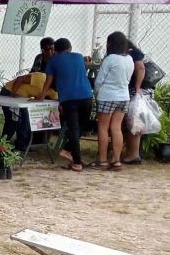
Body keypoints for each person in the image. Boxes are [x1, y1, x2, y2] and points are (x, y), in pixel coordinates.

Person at [38, 37, 93, 172]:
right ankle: (69, 151)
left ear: (55, 50)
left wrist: (41, 96)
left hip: (68, 99)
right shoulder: (79, 57)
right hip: (86, 95)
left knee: (73, 128)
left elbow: (48, 81)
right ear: (70, 48)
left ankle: (76, 160)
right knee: (83, 126)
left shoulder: (53, 61)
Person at [91, 31, 134, 170]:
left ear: (111, 44)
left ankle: (102, 160)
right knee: (116, 127)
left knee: (103, 127)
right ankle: (116, 160)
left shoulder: (110, 59)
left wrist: (98, 94)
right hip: (123, 96)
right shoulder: (129, 59)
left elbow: (99, 81)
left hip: (107, 95)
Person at [0, 71, 58, 154]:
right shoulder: (40, 78)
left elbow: (55, 100)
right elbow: (20, 79)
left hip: (22, 99)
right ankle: (3, 145)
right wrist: (12, 94)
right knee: (13, 121)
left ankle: (20, 146)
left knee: (24, 121)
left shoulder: (53, 91)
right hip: (9, 91)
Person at [122, 38, 150, 165]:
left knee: (134, 122)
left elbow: (140, 68)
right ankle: (132, 152)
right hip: (135, 91)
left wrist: (137, 87)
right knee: (130, 122)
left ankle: (134, 154)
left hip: (135, 92)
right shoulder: (134, 53)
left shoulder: (132, 54)